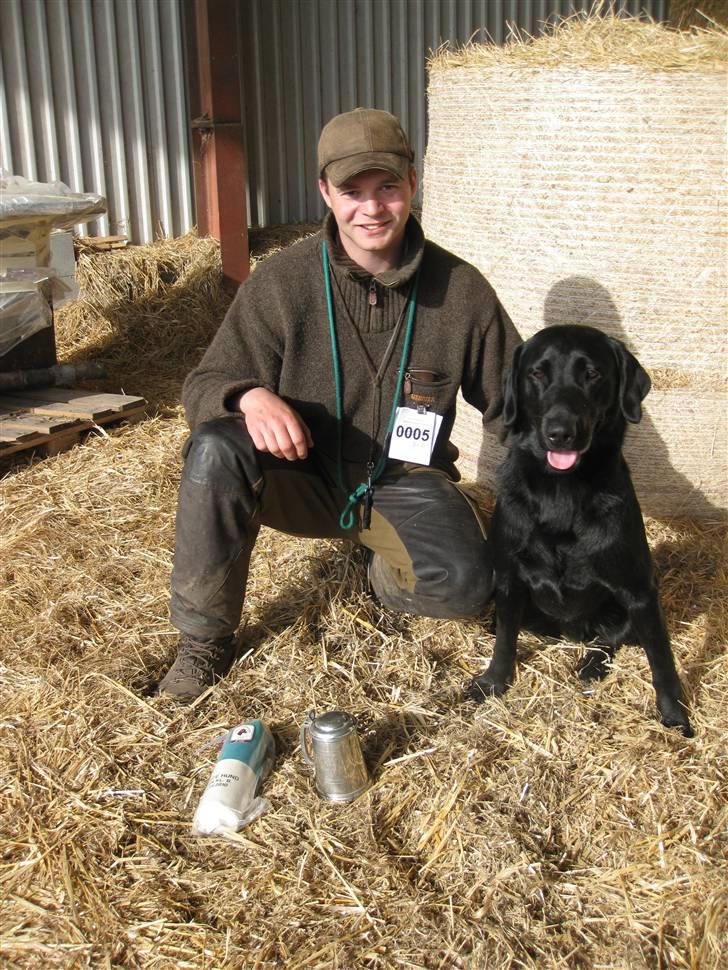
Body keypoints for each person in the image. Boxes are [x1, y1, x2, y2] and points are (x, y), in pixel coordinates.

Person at [158, 107, 521, 700]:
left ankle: (382, 569)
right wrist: (248, 395)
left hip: (404, 481)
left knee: (463, 587)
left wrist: (523, 510)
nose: (372, 209)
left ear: (412, 182)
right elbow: (203, 384)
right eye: (352, 191)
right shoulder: (281, 281)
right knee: (215, 449)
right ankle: (203, 644)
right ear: (325, 191)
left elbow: (515, 405)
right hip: (301, 473)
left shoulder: (462, 291)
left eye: (387, 188)